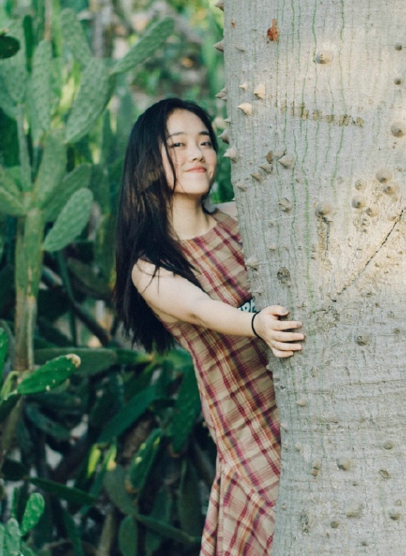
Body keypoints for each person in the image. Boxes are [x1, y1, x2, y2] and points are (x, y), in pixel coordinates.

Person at [114, 98, 305, 555]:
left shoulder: (239, 217)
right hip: (244, 416)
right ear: (147, 162)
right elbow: (199, 308)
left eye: (204, 142)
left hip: (301, 391)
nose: (197, 153)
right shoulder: (150, 265)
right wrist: (256, 324)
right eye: (177, 144)